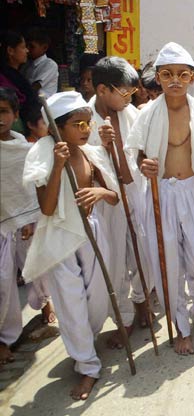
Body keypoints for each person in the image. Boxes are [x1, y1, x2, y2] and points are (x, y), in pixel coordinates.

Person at [125, 42, 194, 355]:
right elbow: (136, 152)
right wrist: (144, 164)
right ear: (158, 77)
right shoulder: (147, 114)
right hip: (162, 193)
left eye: (182, 75)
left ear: (192, 78)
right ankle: (182, 326)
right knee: (167, 264)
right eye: (167, 74)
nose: (175, 81)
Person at [23, 91, 120, 400]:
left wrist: (100, 194)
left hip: (92, 232)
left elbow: (113, 194)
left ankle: (84, 345)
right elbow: (48, 209)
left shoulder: (91, 153)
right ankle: (88, 366)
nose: (85, 129)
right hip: (61, 236)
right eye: (77, 124)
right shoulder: (42, 153)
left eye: (87, 123)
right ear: (58, 128)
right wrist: (57, 165)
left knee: (97, 298)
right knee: (70, 301)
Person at [87, 56, 152, 339]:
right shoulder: (83, 119)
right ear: (102, 90)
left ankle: (142, 301)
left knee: (143, 253)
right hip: (107, 199)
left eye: (132, 93)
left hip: (136, 191)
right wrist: (102, 146)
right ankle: (122, 316)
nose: (129, 99)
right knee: (114, 259)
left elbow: (143, 152)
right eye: (123, 93)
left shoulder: (133, 115)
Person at [0, 88, 45, 365]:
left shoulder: (25, 150)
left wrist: (30, 218)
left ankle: (46, 304)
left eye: (3, 111)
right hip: (2, 227)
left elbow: (30, 189)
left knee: (37, 270)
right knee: (3, 283)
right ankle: (6, 338)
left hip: (25, 222)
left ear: (15, 115)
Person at [0, 31, 40, 128]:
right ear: (10, 51)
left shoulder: (17, 74)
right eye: (23, 47)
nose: (27, 51)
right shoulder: (4, 77)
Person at [22, 28, 59, 97]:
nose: (27, 49)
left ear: (44, 48)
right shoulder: (27, 65)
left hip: (43, 105)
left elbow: (35, 87)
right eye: (26, 46)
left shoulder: (50, 65)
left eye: (32, 47)